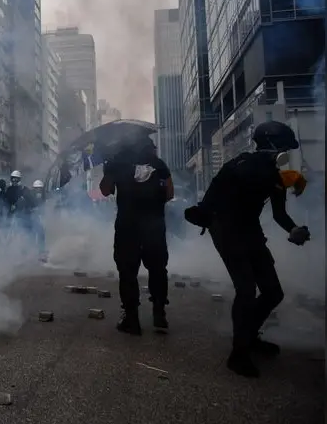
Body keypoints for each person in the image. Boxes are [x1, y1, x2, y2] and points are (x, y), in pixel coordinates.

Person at [186, 121, 310, 378]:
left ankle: (250, 336)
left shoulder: (273, 176)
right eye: (285, 147)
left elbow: (279, 214)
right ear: (273, 145)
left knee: (273, 292)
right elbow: (233, 189)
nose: (286, 152)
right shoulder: (241, 165)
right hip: (226, 229)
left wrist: (294, 230)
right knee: (245, 290)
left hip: (250, 230)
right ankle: (238, 353)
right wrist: (285, 179)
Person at [100, 137, 173, 336]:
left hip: (127, 227)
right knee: (158, 269)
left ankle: (132, 321)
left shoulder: (117, 163)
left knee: (128, 272)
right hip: (155, 227)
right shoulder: (159, 165)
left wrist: (109, 169)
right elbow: (169, 194)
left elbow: (105, 191)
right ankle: (159, 312)